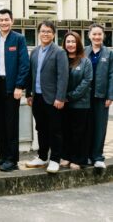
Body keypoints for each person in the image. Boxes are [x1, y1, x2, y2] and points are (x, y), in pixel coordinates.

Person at [0, 9, 29, 172]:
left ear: (12, 21)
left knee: (11, 124)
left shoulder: (19, 39)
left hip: (12, 86)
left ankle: (12, 159)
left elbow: (24, 64)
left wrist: (19, 86)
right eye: (1, 20)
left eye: (7, 19)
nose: (4, 22)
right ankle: (3, 156)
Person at [26, 20, 68, 174]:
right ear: (39, 33)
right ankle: (42, 157)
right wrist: (29, 94)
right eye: (43, 31)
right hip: (37, 97)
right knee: (41, 128)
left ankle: (55, 159)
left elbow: (63, 76)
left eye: (49, 31)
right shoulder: (34, 51)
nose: (45, 34)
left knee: (55, 130)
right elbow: (31, 74)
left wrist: (60, 97)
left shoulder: (59, 52)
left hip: (53, 99)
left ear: (54, 34)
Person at [61, 31, 92, 169]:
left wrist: (70, 96)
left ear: (78, 43)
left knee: (79, 133)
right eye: (68, 41)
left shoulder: (85, 61)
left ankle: (78, 159)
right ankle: (66, 156)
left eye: (73, 41)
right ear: (64, 44)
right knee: (65, 131)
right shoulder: (61, 59)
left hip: (80, 103)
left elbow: (86, 82)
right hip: (63, 103)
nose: (71, 44)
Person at [86, 23, 113, 169]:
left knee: (100, 127)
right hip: (84, 96)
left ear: (103, 36)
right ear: (89, 36)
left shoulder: (109, 53)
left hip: (101, 96)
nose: (97, 37)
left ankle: (97, 157)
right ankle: (86, 155)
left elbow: (112, 75)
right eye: (94, 34)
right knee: (86, 126)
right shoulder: (84, 51)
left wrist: (110, 95)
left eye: (99, 34)